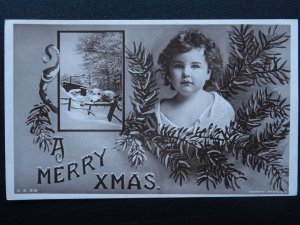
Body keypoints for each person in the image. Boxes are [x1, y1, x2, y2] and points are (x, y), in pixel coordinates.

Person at [155, 30, 235, 132]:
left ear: (208, 72)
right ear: (168, 73)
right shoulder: (158, 113)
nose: (186, 73)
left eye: (195, 66)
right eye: (178, 66)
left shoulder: (221, 109)